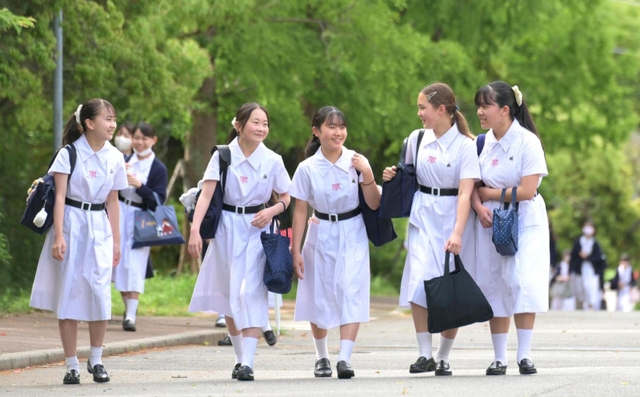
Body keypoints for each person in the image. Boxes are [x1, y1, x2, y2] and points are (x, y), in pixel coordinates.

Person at [188, 102, 291, 382]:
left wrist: (271, 210)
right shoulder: (223, 156)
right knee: (230, 294)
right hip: (227, 229)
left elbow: (286, 197)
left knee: (253, 293)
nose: (261, 128)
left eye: (265, 123)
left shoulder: (273, 160)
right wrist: (195, 230)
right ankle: (238, 357)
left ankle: (248, 362)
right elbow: (206, 195)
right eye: (255, 122)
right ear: (239, 125)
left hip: (259, 230)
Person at [382, 83, 479, 376]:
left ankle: (443, 356)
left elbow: (465, 193)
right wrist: (393, 175)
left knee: (449, 289)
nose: (419, 113)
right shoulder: (416, 139)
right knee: (418, 282)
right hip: (422, 215)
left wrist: (458, 232)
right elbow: (408, 175)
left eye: (423, 107)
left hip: (452, 216)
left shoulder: (465, 146)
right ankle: (424, 353)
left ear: (441, 110)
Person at [29, 99, 128, 384]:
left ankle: (96, 360)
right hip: (71, 222)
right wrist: (58, 236)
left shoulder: (114, 157)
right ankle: (71, 363)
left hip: (99, 226)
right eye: (107, 119)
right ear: (89, 123)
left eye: (114, 118)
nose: (112, 124)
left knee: (99, 293)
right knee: (68, 293)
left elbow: (114, 201)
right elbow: (59, 196)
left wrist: (117, 243)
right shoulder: (68, 154)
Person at [290, 106, 381, 379]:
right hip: (320, 230)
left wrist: (368, 174)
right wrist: (296, 249)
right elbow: (300, 210)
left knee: (350, 289)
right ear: (316, 132)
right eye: (331, 127)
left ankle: (345, 358)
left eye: (341, 126)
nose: (338, 132)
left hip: (352, 230)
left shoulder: (356, 161)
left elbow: (375, 203)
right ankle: (322, 356)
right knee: (318, 292)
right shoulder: (307, 168)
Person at [472, 81, 549, 375]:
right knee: (496, 283)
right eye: (478, 105)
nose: (480, 111)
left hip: (525, 219)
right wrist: (481, 205)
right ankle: (500, 356)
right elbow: (474, 184)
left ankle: (525, 354)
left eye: (485, 106)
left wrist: (491, 194)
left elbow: (528, 190)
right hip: (491, 221)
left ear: (505, 110)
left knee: (522, 280)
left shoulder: (527, 142)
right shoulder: (482, 142)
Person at [111, 122, 168, 332]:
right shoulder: (124, 160)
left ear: (154, 140)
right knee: (118, 264)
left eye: (145, 138)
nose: (140, 142)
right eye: (136, 137)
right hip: (119, 213)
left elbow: (158, 201)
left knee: (134, 265)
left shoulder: (158, 168)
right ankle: (128, 310)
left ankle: (131, 316)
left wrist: (139, 185)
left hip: (142, 218)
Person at [570, 221, 605, 310]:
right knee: (580, 287)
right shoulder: (578, 241)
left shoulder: (595, 243)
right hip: (579, 269)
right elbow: (573, 256)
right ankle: (581, 304)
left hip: (591, 270)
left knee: (590, 287)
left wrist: (588, 257)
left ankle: (591, 305)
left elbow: (598, 258)